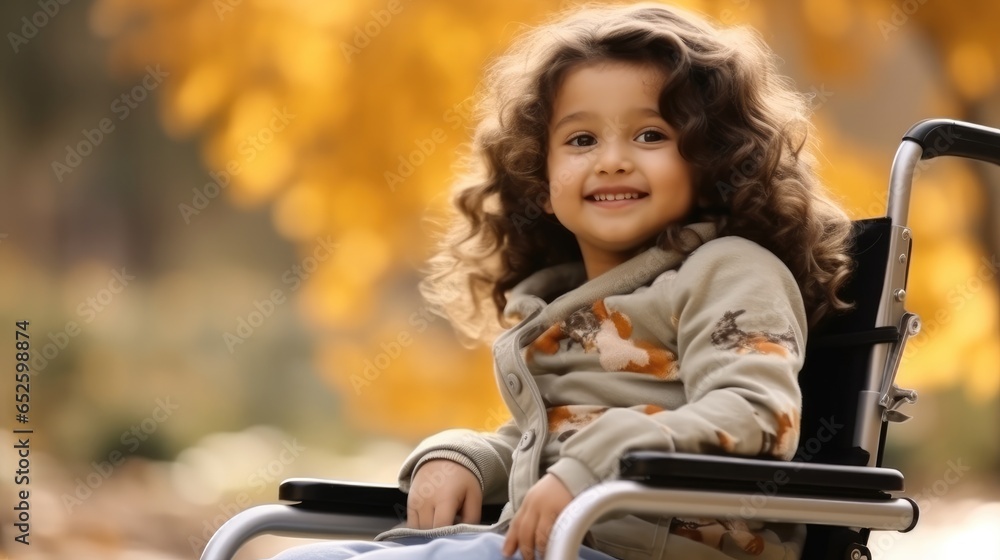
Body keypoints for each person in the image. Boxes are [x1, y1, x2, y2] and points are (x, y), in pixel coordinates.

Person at [270, 2, 852, 559]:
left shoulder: (729, 269)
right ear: (542, 183)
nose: (612, 160)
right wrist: (468, 457)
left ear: (712, 160)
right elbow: (555, 438)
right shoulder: (563, 304)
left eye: (651, 135)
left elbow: (756, 414)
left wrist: (594, 463)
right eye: (581, 140)